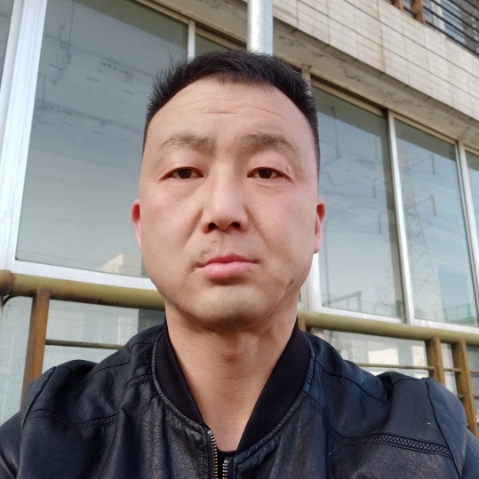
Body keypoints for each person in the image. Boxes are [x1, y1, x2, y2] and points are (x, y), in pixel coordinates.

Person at [0, 51, 478, 479]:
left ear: (316, 225)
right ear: (141, 226)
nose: (223, 209)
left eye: (266, 171)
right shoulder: (40, 442)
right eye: (184, 171)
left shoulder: (429, 443)